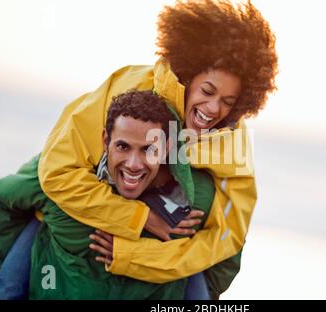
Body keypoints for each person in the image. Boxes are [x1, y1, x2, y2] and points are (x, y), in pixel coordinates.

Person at [36, 0, 278, 283]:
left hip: (163, 253)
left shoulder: (232, 139)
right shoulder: (131, 87)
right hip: (76, 190)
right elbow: (57, 172)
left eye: (227, 101)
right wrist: (142, 218)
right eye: (207, 91)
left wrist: (135, 256)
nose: (213, 109)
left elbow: (228, 236)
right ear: (188, 76)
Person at [0, 90, 240, 299]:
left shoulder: (194, 200)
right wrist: (8, 279)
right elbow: (5, 196)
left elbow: (226, 251)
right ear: (105, 140)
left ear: (166, 149)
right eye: (122, 146)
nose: (133, 163)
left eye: (148, 150)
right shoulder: (59, 178)